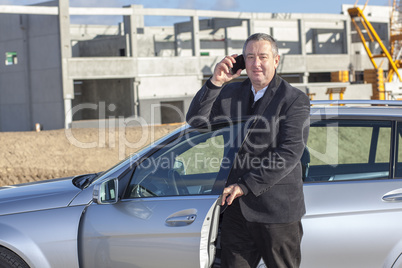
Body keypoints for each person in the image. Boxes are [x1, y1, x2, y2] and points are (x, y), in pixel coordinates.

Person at [186, 33, 310, 268]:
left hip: (277, 213)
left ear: (276, 60)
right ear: (241, 62)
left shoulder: (294, 99)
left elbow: (290, 152)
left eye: (263, 56)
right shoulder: (231, 94)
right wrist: (216, 82)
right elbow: (196, 120)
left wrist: (245, 185)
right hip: (236, 212)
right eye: (250, 57)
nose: (256, 63)